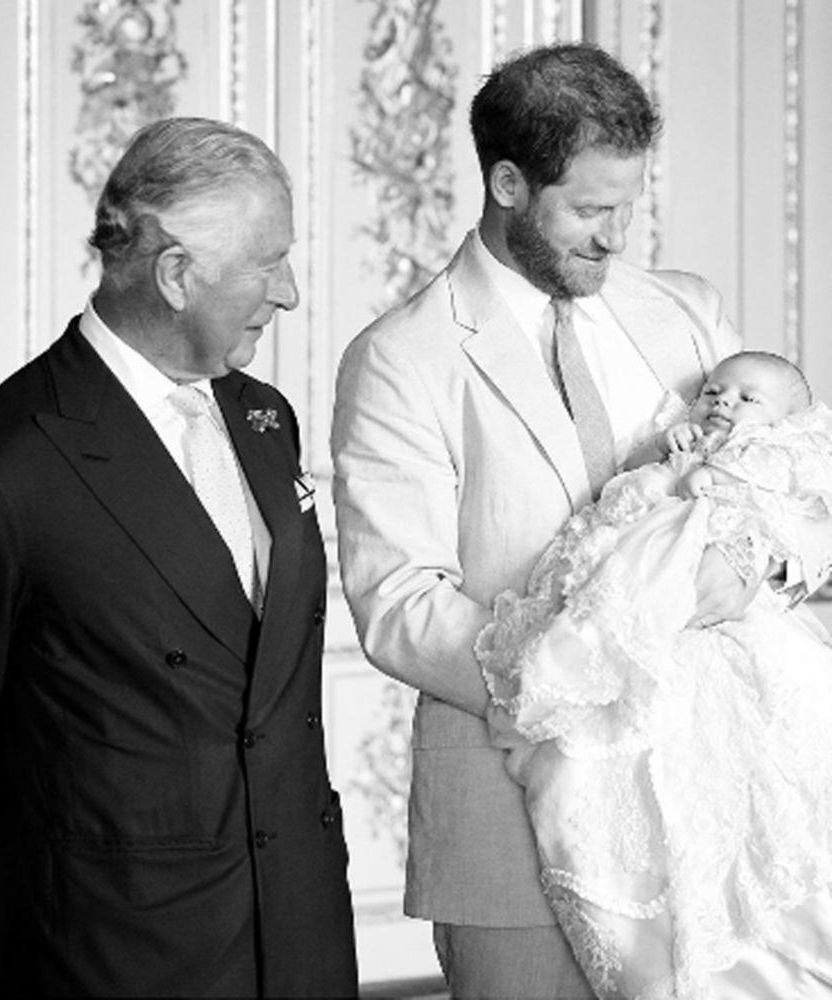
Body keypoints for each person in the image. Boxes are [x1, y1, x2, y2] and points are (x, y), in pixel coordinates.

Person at [331, 42, 832, 999]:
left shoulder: (684, 312)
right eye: (590, 212)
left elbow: (795, 479)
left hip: (708, 810)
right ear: (509, 184)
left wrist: (762, 570)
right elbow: (398, 604)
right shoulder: (400, 357)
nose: (613, 239)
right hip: (509, 809)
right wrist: (579, 666)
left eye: (627, 209)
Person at [0, 117, 357, 998]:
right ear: (174, 275)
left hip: (299, 928)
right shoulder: (1, 466)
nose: (291, 292)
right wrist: (72, 876)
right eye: (267, 263)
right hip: (115, 948)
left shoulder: (264, 418)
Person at [477, 350, 832, 998]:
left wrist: (762, 565)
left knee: (781, 761)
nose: (722, 401)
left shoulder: (695, 323)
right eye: (715, 392)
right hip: (597, 636)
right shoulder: (677, 443)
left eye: (744, 399)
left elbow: (811, 515)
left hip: (734, 631)